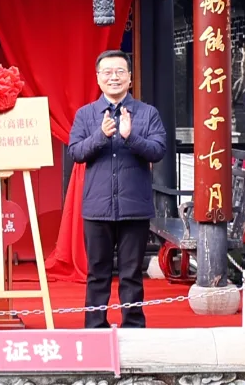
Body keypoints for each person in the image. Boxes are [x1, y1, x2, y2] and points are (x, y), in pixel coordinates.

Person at [68, 49, 167, 329]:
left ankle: (133, 326)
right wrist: (101, 135)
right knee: (97, 273)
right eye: (108, 72)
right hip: (97, 208)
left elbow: (158, 151)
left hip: (134, 208)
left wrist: (130, 136)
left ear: (130, 78)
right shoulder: (86, 115)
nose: (114, 77)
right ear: (98, 78)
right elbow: (75, 152)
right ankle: (95, 327)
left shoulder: (148, 114)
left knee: (131, 274)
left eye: (120, 72)